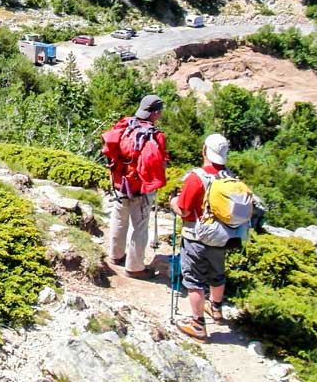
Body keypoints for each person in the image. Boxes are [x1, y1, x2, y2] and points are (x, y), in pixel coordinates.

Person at [171, 133, 253, 341]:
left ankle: (197, 324)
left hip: (197, 236)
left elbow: (185, 210)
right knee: (217, 273)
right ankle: (215, 308)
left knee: (193, 279)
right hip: (224, 236)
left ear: (204, 150)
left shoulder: (196, 177)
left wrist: (173, 202)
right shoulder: (230, 177)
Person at [103, 94, 169, 277]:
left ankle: (116, 256)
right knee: (139, 226)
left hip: (119, 182)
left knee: (119, 218)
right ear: (154, 113)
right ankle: (135, 267)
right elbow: (160, 163)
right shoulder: (155, 135)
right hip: (140, 187)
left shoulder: (125, 126)